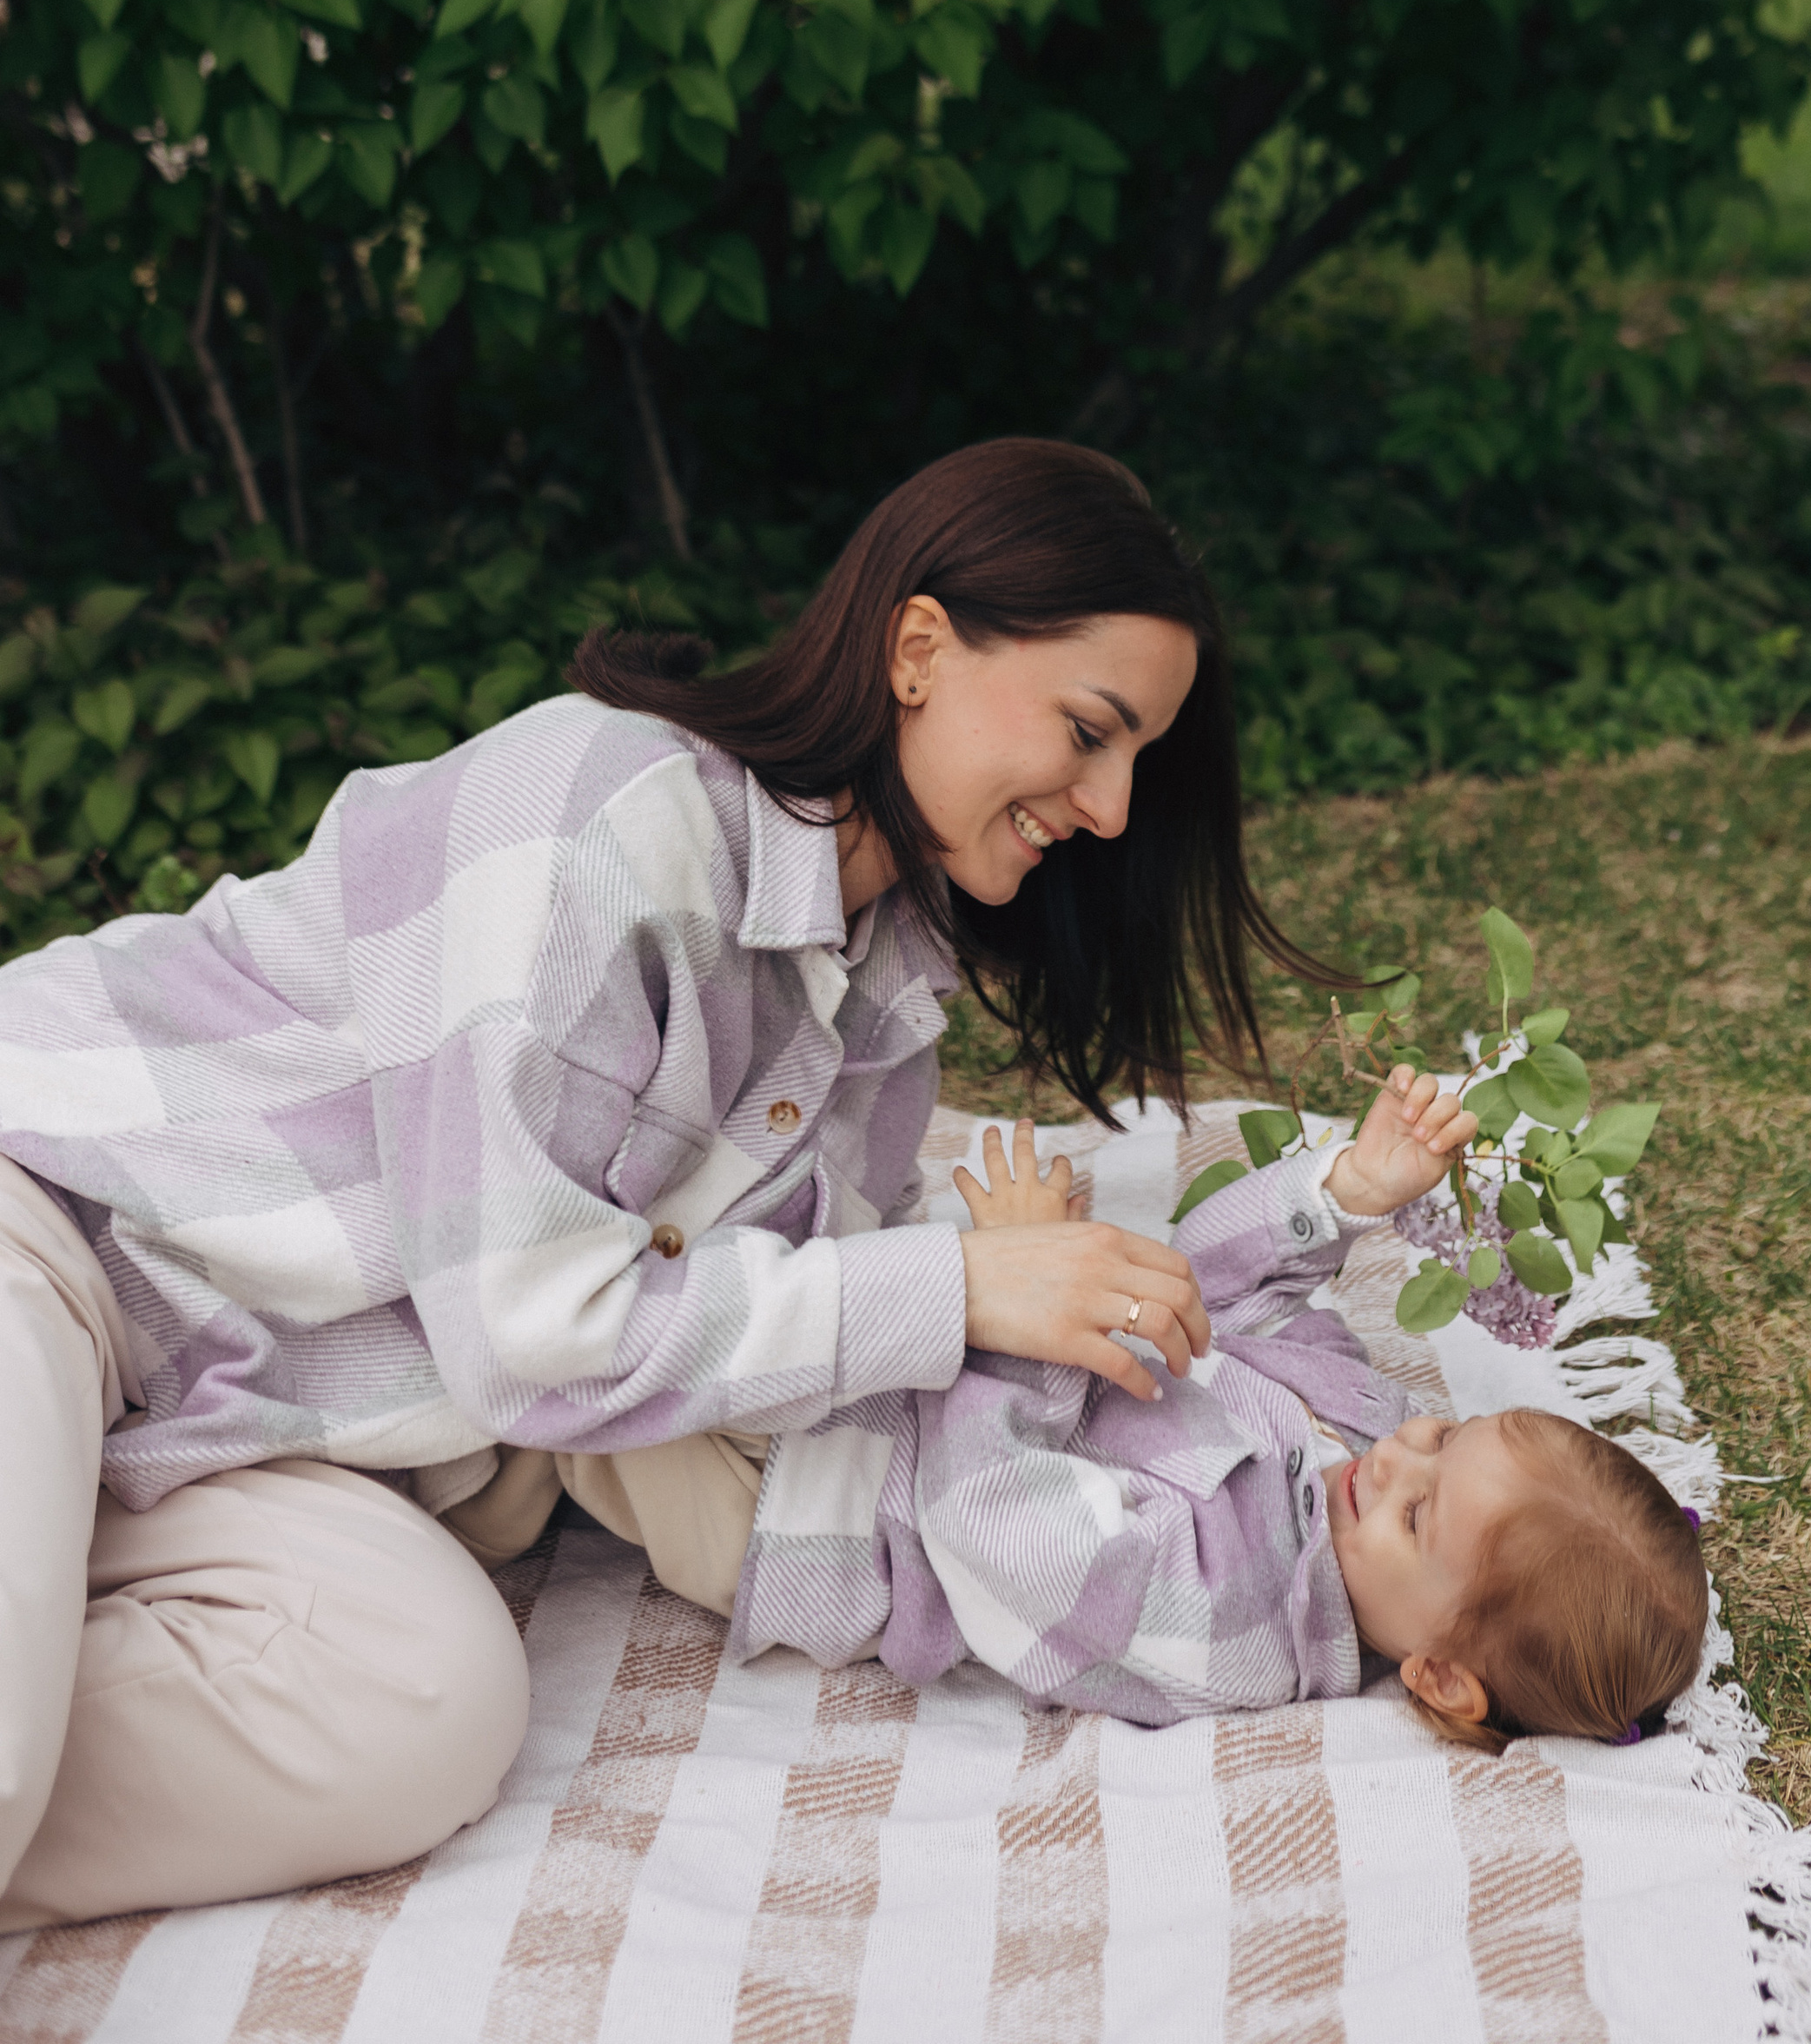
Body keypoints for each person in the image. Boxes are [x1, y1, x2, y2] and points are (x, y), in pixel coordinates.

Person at [0, 439, 1316, 1931]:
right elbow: (536, 1333)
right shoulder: (608, 820)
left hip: (258, 1420)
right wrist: (957, 1288)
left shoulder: (882, 1012)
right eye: (1092, 731)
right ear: (919, 648)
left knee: (425, 1702)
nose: (1115, 807)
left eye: (1137, 757)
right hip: (62, 1227)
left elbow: (752, 1365)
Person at [731, 1068, 1709, 1744]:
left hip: (819, 1488)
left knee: (605, 1381)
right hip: (877, 1346)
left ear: (1442, 1677)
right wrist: (1342, 1198)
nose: (1400, 1453)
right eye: (1447, 1436)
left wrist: (1013, 1308)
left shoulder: (1235, 1624)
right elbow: (1203, 1298)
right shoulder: (1365, 1441)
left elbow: (993, 1522)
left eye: (1420, 1513)